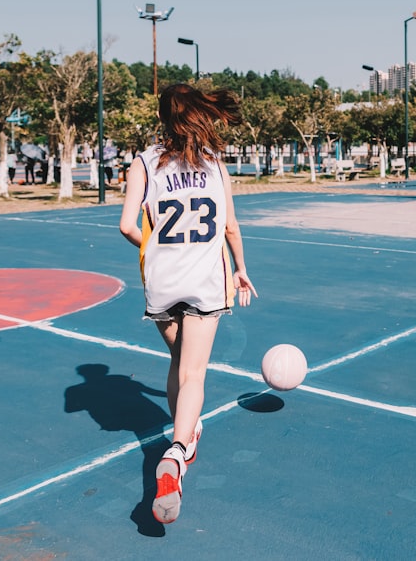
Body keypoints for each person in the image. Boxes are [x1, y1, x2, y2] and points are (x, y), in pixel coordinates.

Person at [119, 84, 257, 525]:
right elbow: (231, 226)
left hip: (161, 279)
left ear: (162, 117)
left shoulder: (143, 162)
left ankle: (186, 427)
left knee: (179, 358)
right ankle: (178, 453)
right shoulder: (216, 165)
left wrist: (156, 246)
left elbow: (127, 226)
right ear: (200, 115)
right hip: (204, 279)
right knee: (193, 370)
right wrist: (240, 268)